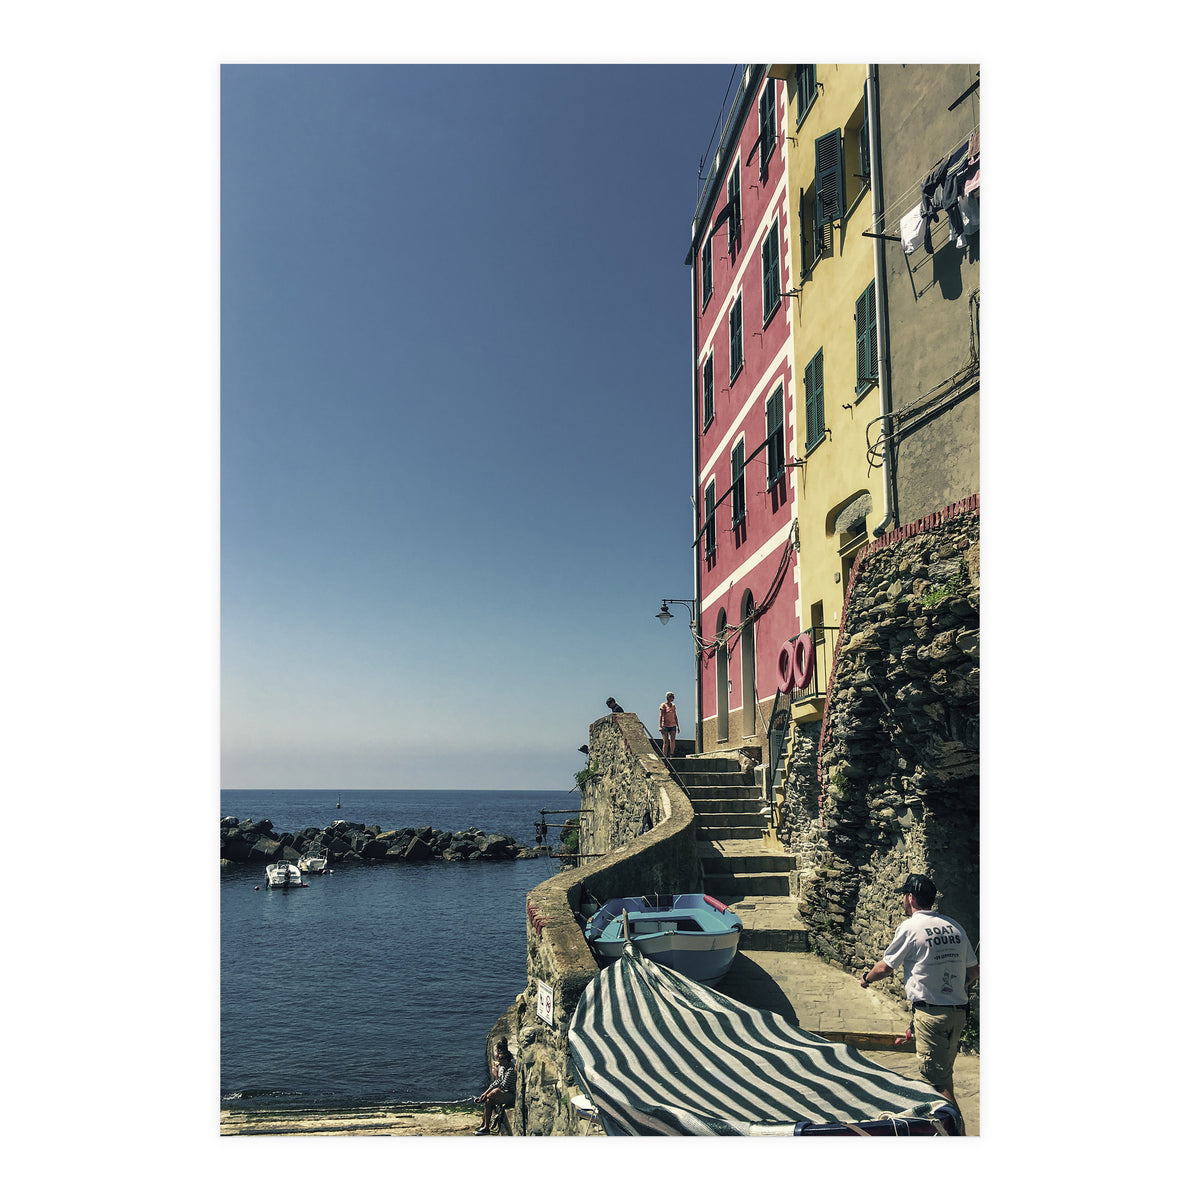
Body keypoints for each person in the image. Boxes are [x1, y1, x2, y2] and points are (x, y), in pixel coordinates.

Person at [860, 873, 979, 1110]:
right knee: (944, 1074)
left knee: (937, 1086)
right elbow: (974, 972)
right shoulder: (953, 926)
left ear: (911, 897)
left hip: (932, 1017)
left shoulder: (911, 927)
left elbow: (885, 967)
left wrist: (866, 979)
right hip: (957, 1014)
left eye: (904, 895)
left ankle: (953, 1127)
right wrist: (949, 990)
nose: (903, 901)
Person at [474, 1043, 516, 1135]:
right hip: (505, 1094)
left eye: (500, 1059)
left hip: (511, 1096)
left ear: (505, 1060)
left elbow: (504, 1086)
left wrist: (489, 1094)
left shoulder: (510, 1070)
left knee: (495, 1092)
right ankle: (485, 1127)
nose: (498, 1060)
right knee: (488, 1101)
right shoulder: (505, 1067)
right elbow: (498, 1082)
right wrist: (486, 1093)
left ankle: (483, 1101)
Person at [658, 692, 678, 757]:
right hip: (665, 725)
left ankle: (671, 754)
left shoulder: (673, 706)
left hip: (673, 725)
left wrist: (677, 726)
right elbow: (661, 716)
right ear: (668, 697)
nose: (673, 698)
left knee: (673, 740)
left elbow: (675, 716)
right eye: (672, 697)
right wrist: (660, 726)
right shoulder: (663, 705)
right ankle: (664, 756)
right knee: (666, 742)